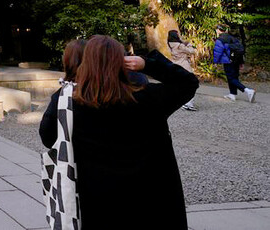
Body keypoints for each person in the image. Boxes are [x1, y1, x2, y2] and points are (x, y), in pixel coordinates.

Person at [39, 35, 198, 229]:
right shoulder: (149, 98)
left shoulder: (69, 102)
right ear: (124, 63)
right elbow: (188, 83)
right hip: (151, 195)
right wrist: (147, 64)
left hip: (96, 196)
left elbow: (48, 138)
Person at [213, 24, 256, 103]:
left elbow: (218, 52)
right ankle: (232, 94)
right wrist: (241, 62)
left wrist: (215, 62)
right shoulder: (232, 37)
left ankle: (248, 91)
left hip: (228, 61)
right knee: (234, 77)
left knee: (231, 78)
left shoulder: (220, 39)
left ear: (218, 30)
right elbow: (240, 50)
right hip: (236, 61)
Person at [167, 30, 198, 110]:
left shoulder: (170, 44)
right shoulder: (180, 46)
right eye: (178, 35)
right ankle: (188, 103)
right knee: (192, 84)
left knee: (179, 85)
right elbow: (192, 51)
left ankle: (179, 102)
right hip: (184, 66)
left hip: (175, 65)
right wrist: (189, 44)